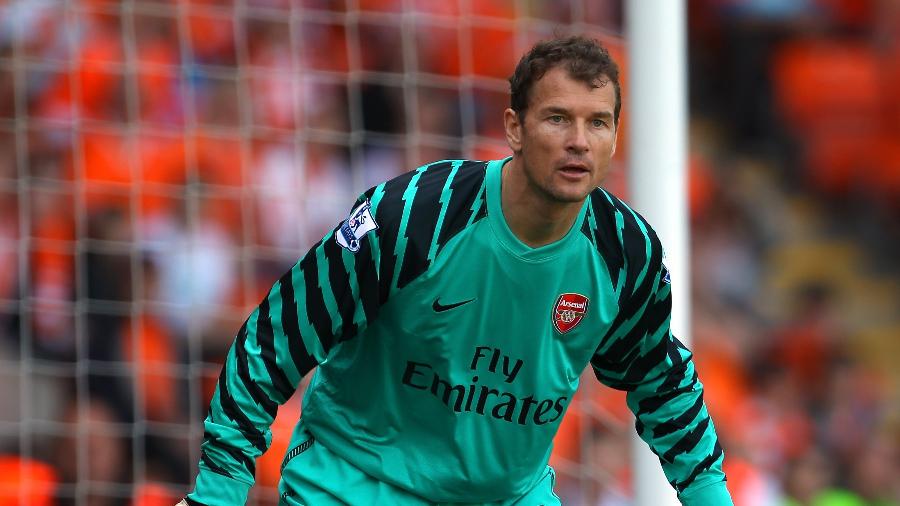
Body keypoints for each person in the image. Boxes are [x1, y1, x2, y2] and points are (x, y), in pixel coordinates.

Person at [180, 36, 733, 505]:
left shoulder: (625, 252)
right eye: (558, 118)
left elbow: (662, 383)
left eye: (598, 123)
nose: (578, 142)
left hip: (508, 494)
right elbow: (275, 337)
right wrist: (218, 490)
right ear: (514, 128)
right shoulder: (418, 214)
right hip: (357, 482)